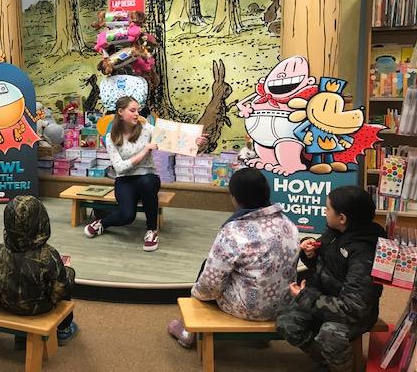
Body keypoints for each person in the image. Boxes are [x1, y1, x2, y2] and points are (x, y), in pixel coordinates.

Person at [168, 168, 299, 348]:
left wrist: (196, 294)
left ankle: (188, 331)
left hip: (249, 308)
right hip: (284, 304)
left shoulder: (233, 232)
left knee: (207, 271)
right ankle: (259, 337)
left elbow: (210, 285)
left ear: (235, 199)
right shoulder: (289, 224)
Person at [276, 186, 386, 372]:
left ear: (342, 218)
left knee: (330, 334)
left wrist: (306, 298)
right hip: (324, 297)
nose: (324, 212)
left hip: (354, 314)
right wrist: (311, 253)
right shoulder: (335, 233)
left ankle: (340, 367)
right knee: (287, 322)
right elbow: (326, 264)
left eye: (327, 209)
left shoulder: (364, 252)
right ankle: (327, 359)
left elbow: (353, 308)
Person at [84, 96, 208, 251]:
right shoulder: (111, 137)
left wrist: (194, 142)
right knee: (127, 215)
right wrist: (145, 150)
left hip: (148, 176)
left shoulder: (147, 129)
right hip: (125, 180)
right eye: (132, 110)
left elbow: (174, 140)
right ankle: (101, 223)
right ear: (120, 112)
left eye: (138, 110)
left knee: (146, 182)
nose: (137, 113)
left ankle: (152, 230)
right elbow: (120, 168)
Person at [0, 196, 79, 345]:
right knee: (69, 273)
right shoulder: (49, 256)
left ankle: (22, 337)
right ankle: (63, 329)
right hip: (41, 309)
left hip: (6, 306)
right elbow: (60, 292)